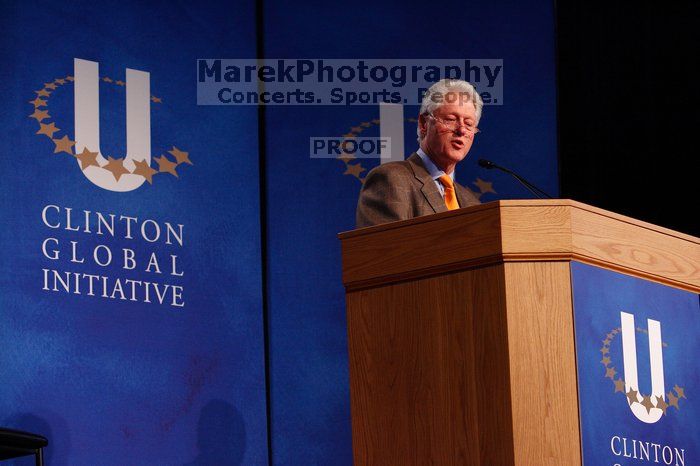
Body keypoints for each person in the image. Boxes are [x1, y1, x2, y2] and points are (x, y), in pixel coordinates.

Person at [356, 79, 482, 228]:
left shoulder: (472, 203)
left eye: (468, 124)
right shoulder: (391, 180)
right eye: (450, 119)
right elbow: (384, 249)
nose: (461, 130)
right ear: (424, 124)